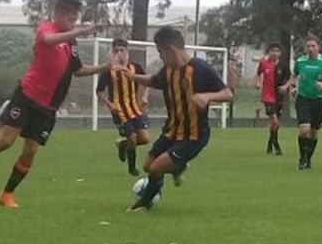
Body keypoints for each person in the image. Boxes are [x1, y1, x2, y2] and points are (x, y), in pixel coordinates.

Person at [0, 0, 108, 207]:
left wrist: (104, 68)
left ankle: (7, 194)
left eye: (75, 18)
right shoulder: (47, 29)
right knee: (6, 141)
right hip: (28, 97)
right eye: (71, 18)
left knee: (31, 151)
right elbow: (47, 41)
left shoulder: (71, 43)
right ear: (59, 14)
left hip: (49, 108)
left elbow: (78, 70)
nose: (74, 21)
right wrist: (82, 31)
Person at [121, 26, 233, 212]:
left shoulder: (200, 69)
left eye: (160, 52)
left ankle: (143, 205)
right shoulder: (168, 70)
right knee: (149, 166)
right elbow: (153, 81)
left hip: (194, 135)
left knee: (157, 168)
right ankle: (176, 168)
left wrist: (207, 97)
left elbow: (228, 93)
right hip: (172, 130)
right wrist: (133, 76)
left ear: (171, 50)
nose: (160, 57)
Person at [279, 34, 322, 170]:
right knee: (304, 130)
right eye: (308, 46)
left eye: (313, 46)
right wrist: (291, 88)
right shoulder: (300, 62)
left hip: (319, 101)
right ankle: (302, 158)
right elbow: (294, 77)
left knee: (313, 133)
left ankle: (308, 158)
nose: (310, 49)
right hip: (303, 98)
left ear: (318, 47)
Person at [96, 38, 150, 176]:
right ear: (112, 52)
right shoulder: (109, 70)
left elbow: (148, 80)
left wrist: (144, 96)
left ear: (127, 51)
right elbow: (99, 91)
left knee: (144, 138)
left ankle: (123, 145)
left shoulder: (134, 67)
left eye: (122, 50)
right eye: (116, 51)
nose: (119, 53)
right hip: (119, 110)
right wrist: (110, 104)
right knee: (132, 136)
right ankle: (132, 168)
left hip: (134, 108)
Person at [254, 42, 291, 155]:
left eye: (277, 51)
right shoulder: (264, 63)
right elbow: (258, 74)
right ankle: (277, 146)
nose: (274, 53)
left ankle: (270, 145)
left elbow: (291, 78)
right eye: (272, 51)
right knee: (275, 121)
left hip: (279, 97)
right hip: (267, 96)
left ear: (280, 53)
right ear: (269, 52)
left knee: (275, 124)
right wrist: (257, 83)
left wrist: (285, 86)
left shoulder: (283, 65)